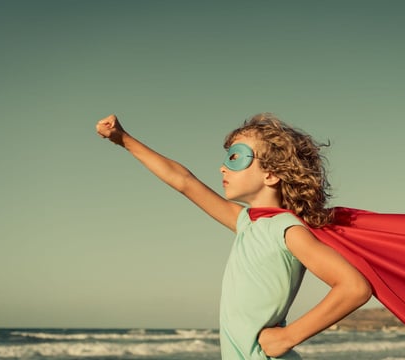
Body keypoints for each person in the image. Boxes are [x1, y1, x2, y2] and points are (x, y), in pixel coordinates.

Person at [95, 113, 373, 359]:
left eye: (236, 157)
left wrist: (287, 338)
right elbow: (184, 181)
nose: (223, 167)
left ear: (271, 175)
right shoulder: (247, 223)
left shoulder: (287, 229)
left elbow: (354, 288)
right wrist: (124, 139)